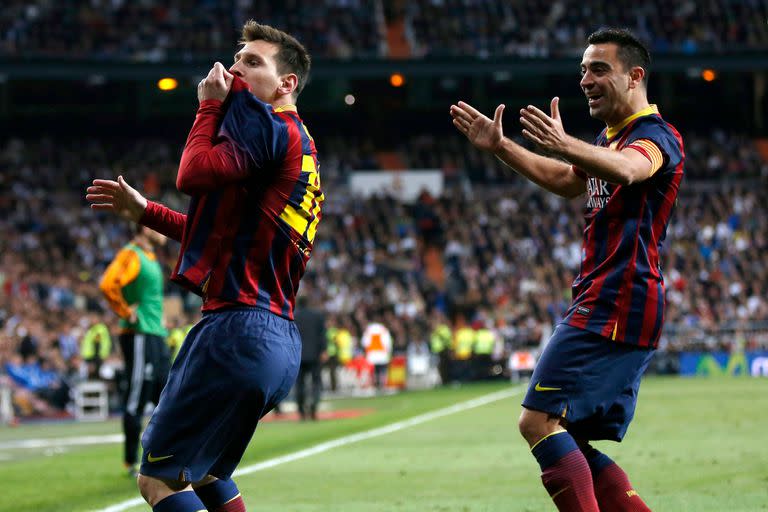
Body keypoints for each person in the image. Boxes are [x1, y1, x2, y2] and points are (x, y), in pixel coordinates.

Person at [86, 21, 322, 512]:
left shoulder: (271, 129)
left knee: (160, 481)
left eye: (252, 62)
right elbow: (220, 232)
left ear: (287, 84)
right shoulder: (300, 144)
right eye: (237, 59)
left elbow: (192, 173)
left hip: (236, 329)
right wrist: (146, 212)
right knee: (210, 473)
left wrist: (208, 106)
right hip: (277, 339)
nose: (235, 69)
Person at [451, 28, 683, 512]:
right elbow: (566, 180)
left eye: (599, 68)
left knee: (537, 422)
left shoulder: (656, 136)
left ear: (635, 75)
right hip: (611, 300)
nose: (585, 79)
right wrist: (501, 147)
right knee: (569, 434)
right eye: (582, 70)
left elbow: (629, 170)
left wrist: (564, 143)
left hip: (616, 302)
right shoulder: (608, 138)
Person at [99, 225, 170, 478]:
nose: (163, 229)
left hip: (156, 335)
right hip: (139, 334)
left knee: (169, 393)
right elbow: (108, 284)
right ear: (144, 227)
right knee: (136, 397)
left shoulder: (150, 257)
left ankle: (169, 453)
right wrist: (126, 312)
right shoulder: (131, 254)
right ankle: (131, 461)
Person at [292, 295, 327, 421]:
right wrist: (323, 350)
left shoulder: (293, 316)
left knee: (299, 384)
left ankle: (301, 411)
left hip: (298, 355)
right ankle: (314, 407)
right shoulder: (317, 315)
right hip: (314, 355)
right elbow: (322, 334)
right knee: (316, 382)